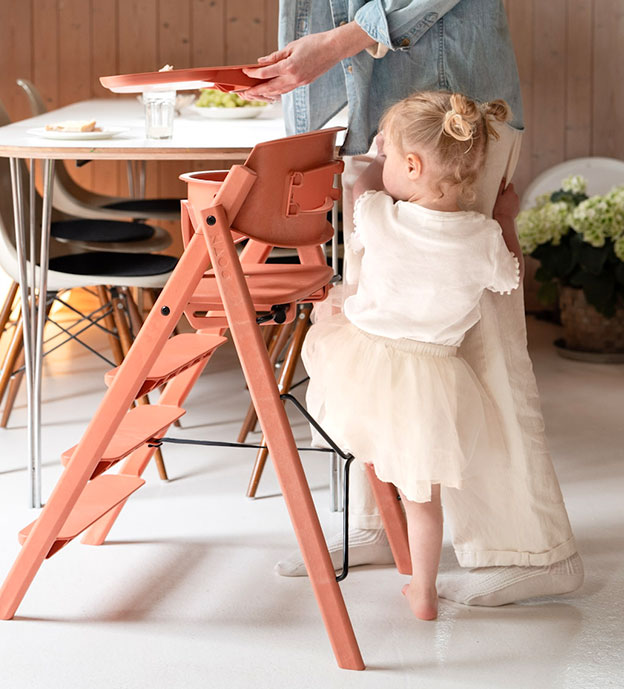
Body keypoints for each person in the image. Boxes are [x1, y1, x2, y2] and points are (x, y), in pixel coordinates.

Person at [240, 0, 584, 607]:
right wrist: (296, 92)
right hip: (380, 126)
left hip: (453, 115)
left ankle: (532, 551)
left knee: (484, 350)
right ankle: (382, 523)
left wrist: (340, 43)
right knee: (381, 317)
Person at [304, 90, 521, 620]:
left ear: (411, 165)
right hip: (435, 376)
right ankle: (423, 593)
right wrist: (505, 216)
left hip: (367, 364)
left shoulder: (382, 216)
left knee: (368, 444)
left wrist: (373, 163)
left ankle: (371, 521)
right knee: (425, 500)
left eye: (390, 153)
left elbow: (359, 187)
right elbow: (510, 277)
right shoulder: (483, 236)